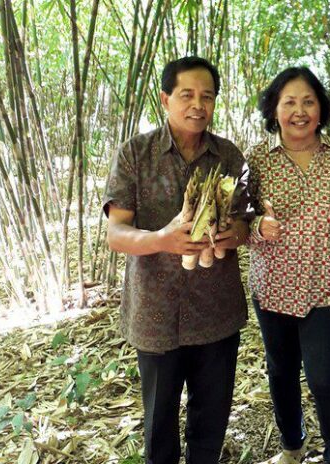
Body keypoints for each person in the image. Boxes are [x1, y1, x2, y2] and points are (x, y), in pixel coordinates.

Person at [103, 56, 254, 464]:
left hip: (216, 311)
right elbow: (116, 234)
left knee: (211, 422)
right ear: (165, 98)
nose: (197, 105)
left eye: (207, 96)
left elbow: (245, 225)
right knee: (159, 425)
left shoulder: (229, 156)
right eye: (186, 95)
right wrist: (160, 240)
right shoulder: (135, 154)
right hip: (155, 313)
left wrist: (232, 234)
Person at [246, 67, 330, 464]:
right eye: (289, 102)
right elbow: (239, 220)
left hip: (325, 285)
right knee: (281, 372)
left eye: (308, 101)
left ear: (321, 109)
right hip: (272, 285)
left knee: (324, 378)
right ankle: (292, 444)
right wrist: (257, 226)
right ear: (274, 110)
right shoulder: (257, 158)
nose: (299, 111)